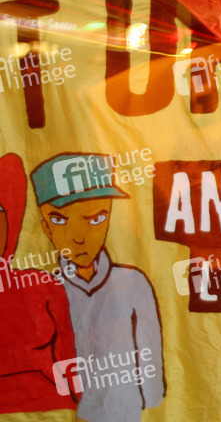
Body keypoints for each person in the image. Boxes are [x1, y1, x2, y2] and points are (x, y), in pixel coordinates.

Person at [31, 153, 165, 422]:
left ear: (110, 218)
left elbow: (148, 347)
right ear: (46, 228)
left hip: (126, 409)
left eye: (95, 219)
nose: (79, 237)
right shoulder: (46, 291)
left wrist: (152, 402)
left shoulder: (133, 282)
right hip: (69, 411)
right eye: (59, 220)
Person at [0, 152, 78, 415]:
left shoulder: (42, 286)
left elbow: (68, 355)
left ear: (11, 221)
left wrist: (83, 404)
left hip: (51, 409)